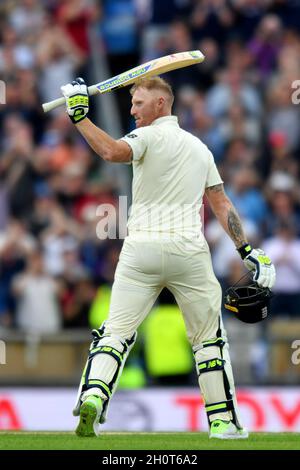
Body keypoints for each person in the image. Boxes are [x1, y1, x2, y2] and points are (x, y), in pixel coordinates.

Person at [60, 76, 276, 439]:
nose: (132, 111)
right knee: (208, 339)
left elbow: (111, 152)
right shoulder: (200, 148)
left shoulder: (146, 137)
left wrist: (80, 117)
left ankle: (95, 396)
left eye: (138, 104)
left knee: (114, 334)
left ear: (161, 104)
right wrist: (247, 250)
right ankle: (222, 422)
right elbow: (222, 205)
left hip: (140, 249)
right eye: (131, 104)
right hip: (188, 251)